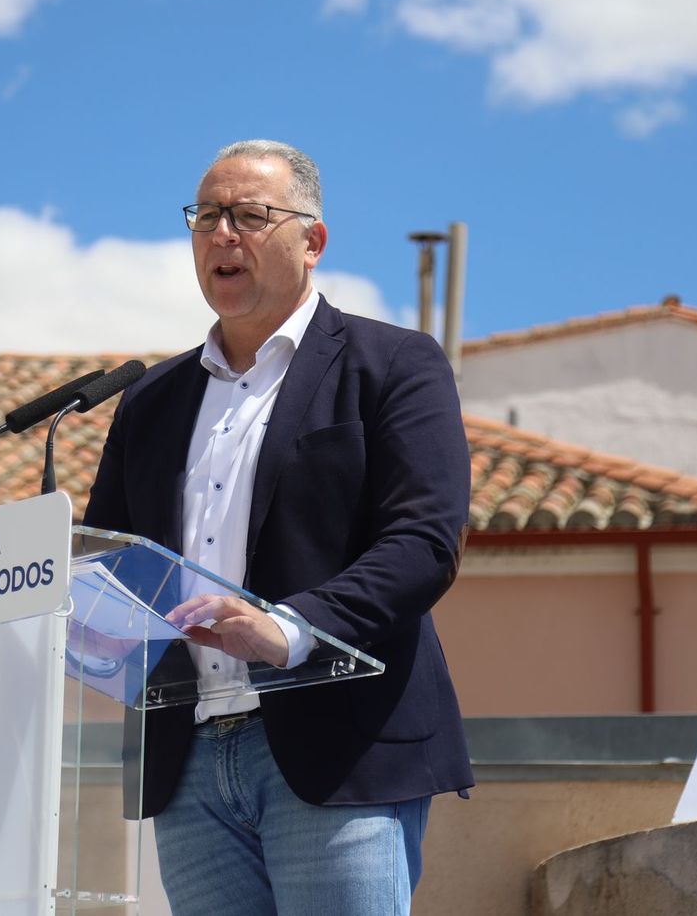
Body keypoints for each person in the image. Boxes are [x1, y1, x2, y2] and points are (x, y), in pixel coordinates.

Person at [83, 139, 473, 915]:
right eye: (206, 216)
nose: (222, 234)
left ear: (313, 242)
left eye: (250, 215)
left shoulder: (391, 363)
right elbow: (111, 561)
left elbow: (424, 541)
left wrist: (288, 628)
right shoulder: (149, 401)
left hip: (339, 743)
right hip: (186, 753)